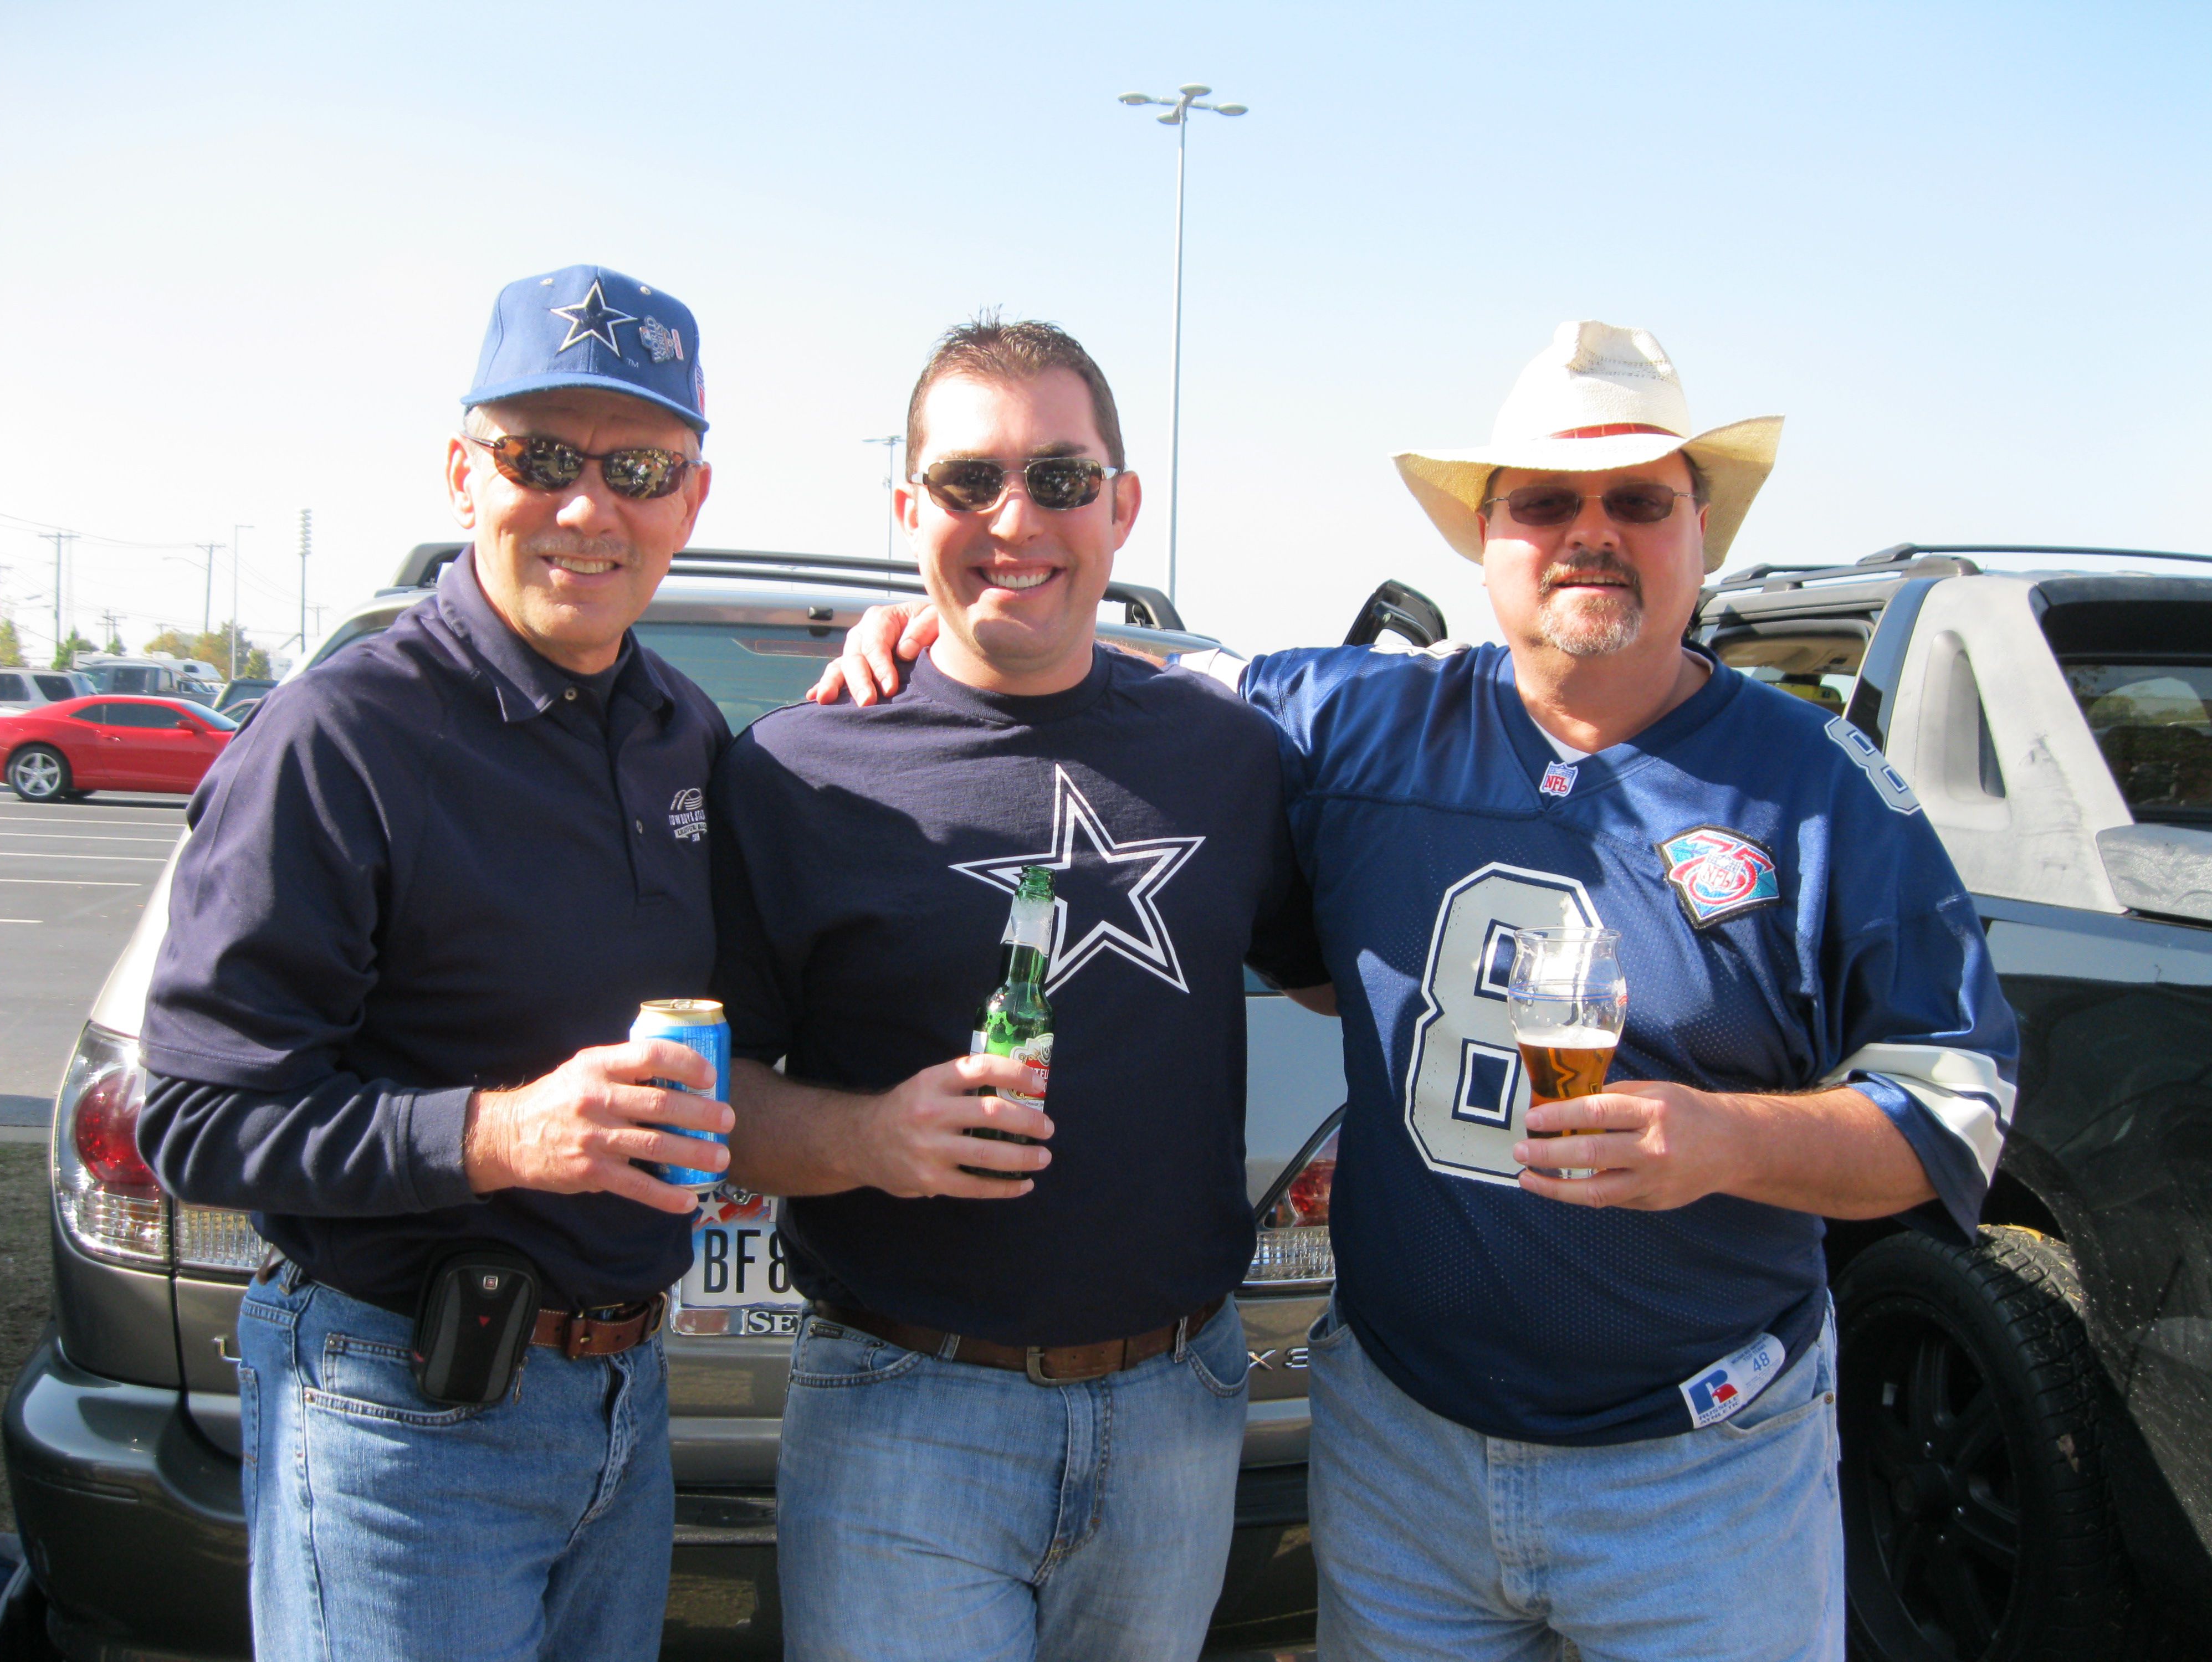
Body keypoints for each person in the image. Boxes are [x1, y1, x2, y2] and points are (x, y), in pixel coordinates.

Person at [810, 320, 2019, 1661]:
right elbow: (1109, 676)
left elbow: (1956, 1103)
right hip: (1402, 1455)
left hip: (1700, 1466)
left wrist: (1727, 1141)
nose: (1589, 532)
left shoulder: (1817, 790)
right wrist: (942, 619)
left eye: (1638, 501)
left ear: (1700, 529)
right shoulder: (1356, 720)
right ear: (1483, 538)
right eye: (1544, 502)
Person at [706, 316, 1327, 1662]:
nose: (1014, 518)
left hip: (1177, 1403)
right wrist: (871, 1138)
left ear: (1121, 504)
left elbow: (1340, 974)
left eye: (1057, 477)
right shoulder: (798, 772)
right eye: (966, 481)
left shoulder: (1226, 756)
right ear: (903, 505)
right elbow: (712, 1100)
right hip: (899, 1410)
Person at [137, 264, 728, 1662]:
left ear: (690, 500)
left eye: (639, 464)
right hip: (399, 1414)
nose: (589, 507)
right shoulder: (339, 740)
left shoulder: (680, 730)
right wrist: (503, 1133)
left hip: (623, 1399)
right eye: (541, 457)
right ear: (464, 473)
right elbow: (195, 1117)